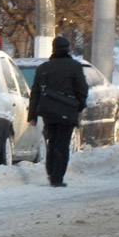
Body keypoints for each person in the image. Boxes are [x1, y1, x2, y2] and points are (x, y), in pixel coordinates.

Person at [27, 35, 89, 187]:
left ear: (53, 50)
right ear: (68, 49)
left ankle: (51, 171)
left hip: (48, 112)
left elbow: (35, 92)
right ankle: (57, 177)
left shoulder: (44, 68)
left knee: (52, 141)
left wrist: (32, 115)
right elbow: (82, 89)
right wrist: (79, 106)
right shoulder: (75, 67)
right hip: (67, 112)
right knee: (62, 143)